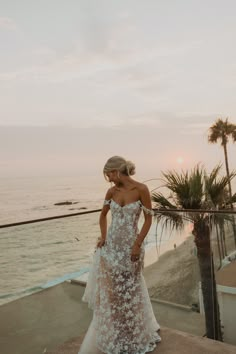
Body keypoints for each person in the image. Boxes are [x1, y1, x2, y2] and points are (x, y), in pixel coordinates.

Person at [78, 156, 161, 354]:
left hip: (131, 247)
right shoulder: (111, 191)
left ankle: (134, 332)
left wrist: (137, 245)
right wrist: (103, 237)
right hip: (112, 247)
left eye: (109, 175)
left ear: (116, 171)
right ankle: (117, 332)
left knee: (132, 289)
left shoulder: (141, 189)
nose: (109, 180)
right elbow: (103, 215)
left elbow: (149, 219)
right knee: (113, 292)